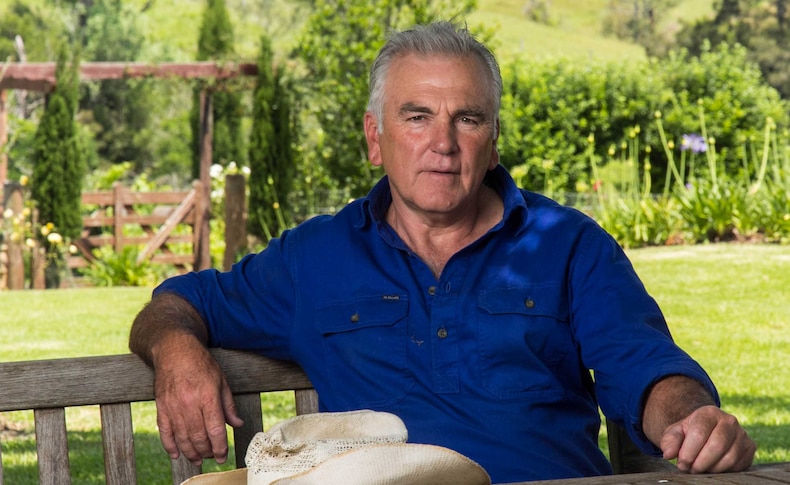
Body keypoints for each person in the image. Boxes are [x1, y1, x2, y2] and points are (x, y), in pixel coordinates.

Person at [130, 21, 756, 483]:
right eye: (417, 116)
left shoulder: (568, 246)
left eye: (468, 119)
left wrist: (695, 418)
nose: (444, 144)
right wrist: (177, 350)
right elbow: (178, 303)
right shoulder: (313, 258)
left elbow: (644, 365)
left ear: (494, 140)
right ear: (375, 139)